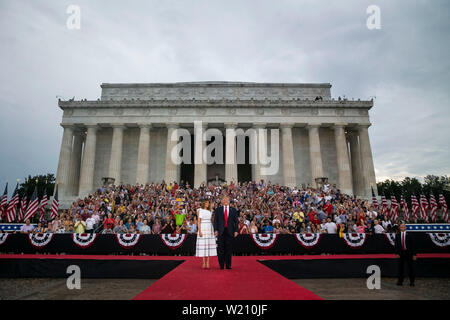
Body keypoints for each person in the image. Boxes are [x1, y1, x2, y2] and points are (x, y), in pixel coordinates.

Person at [213, 195, 239, 270]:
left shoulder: (233, 210)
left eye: (227, 200)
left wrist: (236, 230)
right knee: (220, 249)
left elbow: (236, 221)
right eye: (224, 200)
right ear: (222, 201)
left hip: (230, 232)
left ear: (229, 201)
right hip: (220, 232)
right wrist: (216, 230)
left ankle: (228, 265)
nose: (225, 201)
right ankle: (221, 265)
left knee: (229, 249)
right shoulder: (218, 209)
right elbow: (215, 221)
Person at [195, 200, 217, 269]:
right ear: (203, 203)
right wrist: (199, 231)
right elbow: (198, 221)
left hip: (209, 228)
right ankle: (204, 262)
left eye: (208, 203)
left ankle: (208, 262)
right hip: (203, 228)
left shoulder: (210, 211)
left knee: (208, 245)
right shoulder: (200, 210)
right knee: (203, 245)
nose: (207, 204)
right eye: (206, 203)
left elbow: (212, 220)